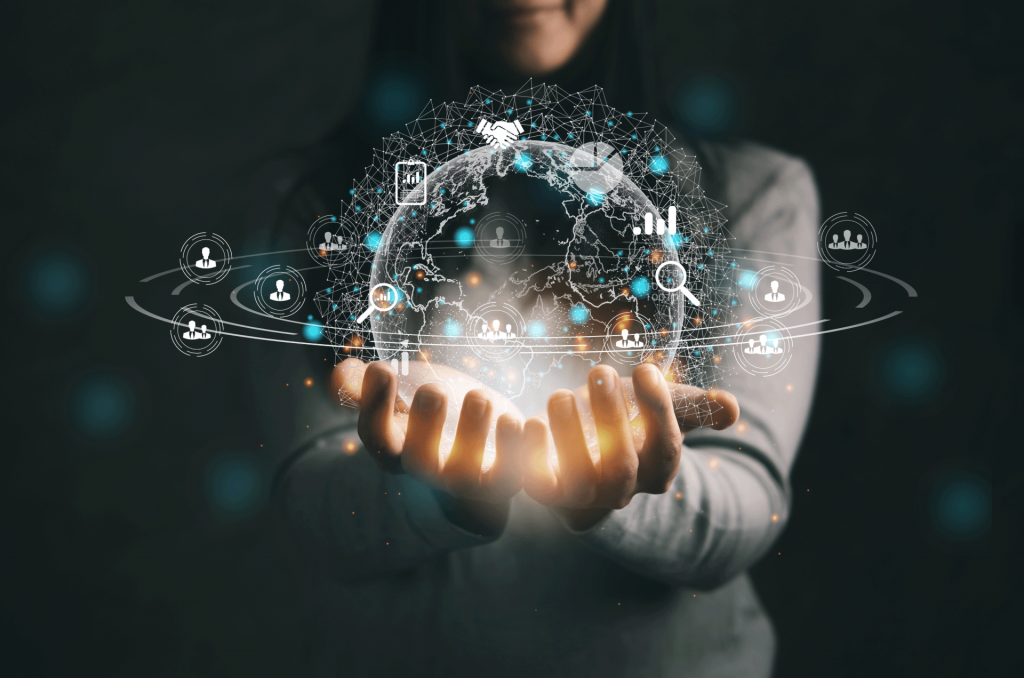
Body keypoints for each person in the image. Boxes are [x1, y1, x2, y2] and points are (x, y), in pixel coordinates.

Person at [249, 0, 821, 675]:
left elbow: (742, 508)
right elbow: (319, 515)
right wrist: (442, 492)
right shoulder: (315, 205)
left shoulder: (752, 193)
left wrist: (621, 489)